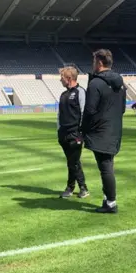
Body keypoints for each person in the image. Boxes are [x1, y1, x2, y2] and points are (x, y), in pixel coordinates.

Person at [82, 49, 126, 213]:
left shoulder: (96, 83)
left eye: (94, 61)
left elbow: (89, 110)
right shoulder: (120, 83)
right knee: (108, 165)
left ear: (99, 62)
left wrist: (83, 130)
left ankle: (111, 203)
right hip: (114, 130)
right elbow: (122, 109)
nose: (93, 64)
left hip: (100, 131)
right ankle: (108, 200)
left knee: (105, 167)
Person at [57, 67, 89, 199]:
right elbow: (60, 115)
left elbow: (84, 112)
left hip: (75, 133)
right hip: (64, 134)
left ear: (69, 78)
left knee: (73, 162)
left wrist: (81, 132)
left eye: (62, 77)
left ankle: (81, 187)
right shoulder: (63, 95)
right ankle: (72, 187)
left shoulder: (80, 92)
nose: (60, 80)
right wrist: (59, 130)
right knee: (71, 161)